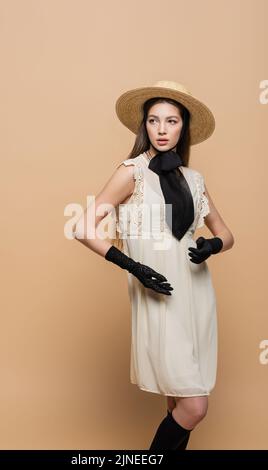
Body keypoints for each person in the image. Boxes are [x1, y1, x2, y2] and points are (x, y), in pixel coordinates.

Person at [74, 80, 235, 450]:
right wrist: (133, 266)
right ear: (143, 125)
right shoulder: (131, 172)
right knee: (195, 407)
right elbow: (83, 227)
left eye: (172, 121)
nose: (162, 130)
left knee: (180, 401)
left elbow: (227, 234)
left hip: (197, 294)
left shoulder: (195, 180)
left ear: (184, 127)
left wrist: (212, 244)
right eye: (153, 120)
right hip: (158, 294)